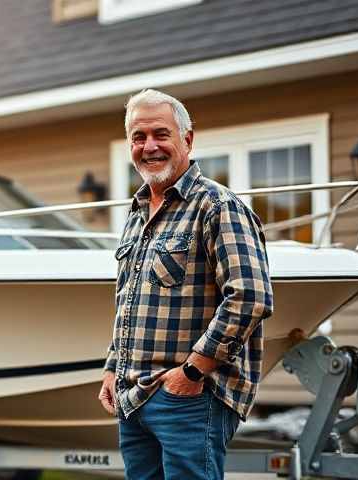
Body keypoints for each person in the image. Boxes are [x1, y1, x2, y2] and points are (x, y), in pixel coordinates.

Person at [98, 89, 273, 480]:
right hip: (134, 399)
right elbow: (129, 301)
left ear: (187, 140)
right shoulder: (138, 212)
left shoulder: (217, 206)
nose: (150, 146)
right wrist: (113, 368)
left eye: (161, 134)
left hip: (190, 400)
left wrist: (192, 373)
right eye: (139, 137)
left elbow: (250, 297)